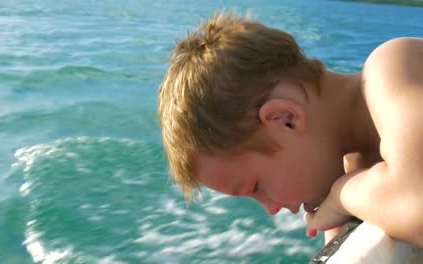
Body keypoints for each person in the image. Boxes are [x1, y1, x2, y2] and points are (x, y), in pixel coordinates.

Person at [157, 11, 423, 248]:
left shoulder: (394, 67)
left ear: (286, 119)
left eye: (257, 187)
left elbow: (417, 209)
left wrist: (342, 196)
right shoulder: (349, 162)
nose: (272, 209)